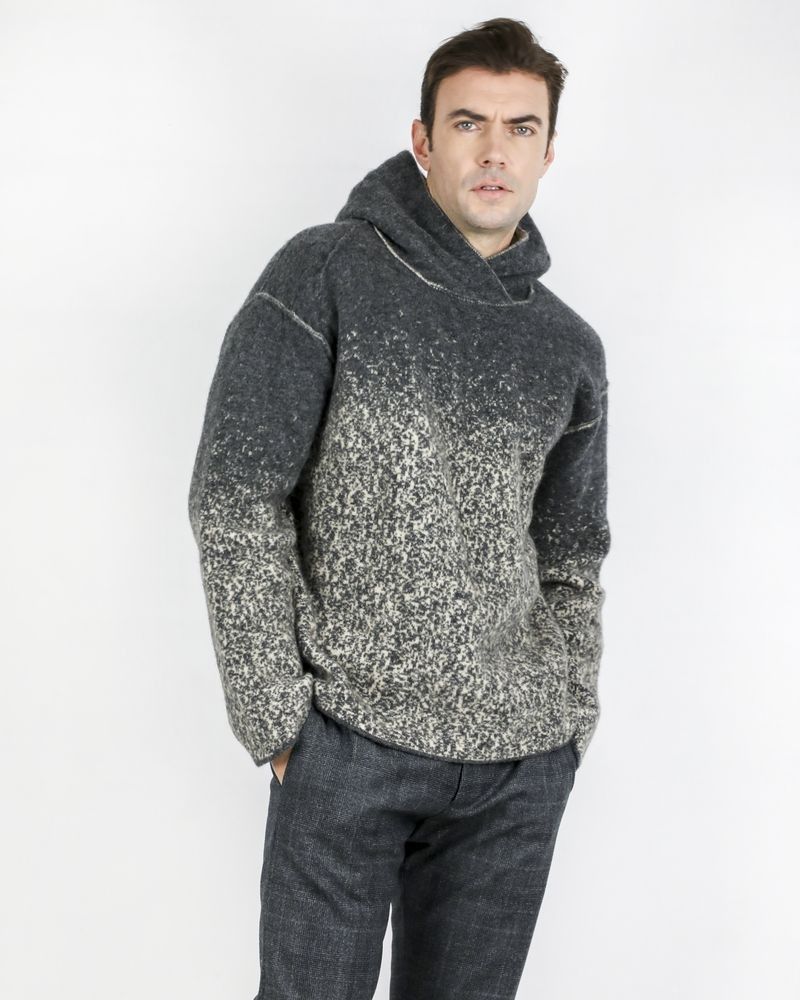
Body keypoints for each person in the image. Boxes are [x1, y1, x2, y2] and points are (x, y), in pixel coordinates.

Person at [188, 16, 611, 1000]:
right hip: (348, 748)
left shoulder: (567, 348)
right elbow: (237, 491)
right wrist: (277, 717)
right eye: (468, 123)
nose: (494, 150)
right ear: (423, 139)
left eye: (520, 127)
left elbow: (572, 553)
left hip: (516, 769)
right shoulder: (325, 273)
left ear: (549, 150)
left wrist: (567, 716)